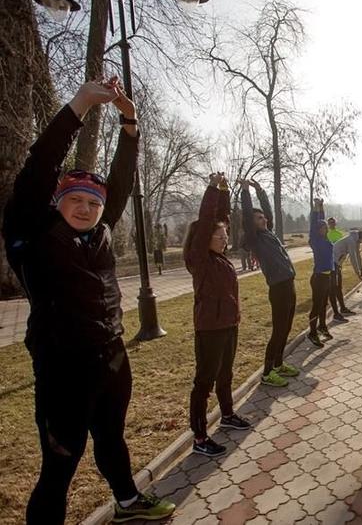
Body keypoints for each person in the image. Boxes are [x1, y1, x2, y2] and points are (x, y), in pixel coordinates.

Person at [2, 78, 174, 523]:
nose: (85, 208)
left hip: (112, 356)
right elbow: (40, 166)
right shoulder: (33, 232)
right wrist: (80, 104)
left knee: (112, 436)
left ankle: (128, 502)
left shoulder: (102, 230)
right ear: (56, 202)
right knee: (60, 463)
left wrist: (130, 121)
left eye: (93, 202)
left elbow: (121, 180)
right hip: (63, 368)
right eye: (74, 199)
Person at [184, 173, 252, 458]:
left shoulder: (220, 258)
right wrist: (212, 189)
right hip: (210, 328)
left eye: (226, 237)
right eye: (220, 237)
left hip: (228, 325)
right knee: (205, 382)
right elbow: (207, 220)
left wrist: (225, 191)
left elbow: (221, 217)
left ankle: (227, 415)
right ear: (205, 238)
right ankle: (200, 437)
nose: (225, 240)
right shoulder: (200, 258)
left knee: (226, 374)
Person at [240, 179, 301, 387]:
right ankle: (267, 373)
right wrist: (246, 192)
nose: (264, 219)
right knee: (278, 330)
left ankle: (278, 364)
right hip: (278, 288)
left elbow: (269, 213)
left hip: (289, 285)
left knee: (286, 328)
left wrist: (260, 190)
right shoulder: (255, 238)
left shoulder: (268, 233)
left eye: (263, 217)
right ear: (251, 223)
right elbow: (247, 215)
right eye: (259, 218)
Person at [308, 198, 334, 347]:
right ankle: (312, 333)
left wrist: (322, 207)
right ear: (317, 230)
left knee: (324, 304)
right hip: (318, 278)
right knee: (317, 306)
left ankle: (322, 326)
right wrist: (316, 208)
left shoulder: (326, 239)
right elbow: (314, 224)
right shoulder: (315, 241)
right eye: (321, 228)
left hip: (327, 277)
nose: (324, 229)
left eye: (325, 227)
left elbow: (321, 220)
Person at [330, 228, 362, 321]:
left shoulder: (356, 240)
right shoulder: (351, 241)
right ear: (361, 237)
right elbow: (353, 258)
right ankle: (336, 314)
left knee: (338, 288)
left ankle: (342, 309)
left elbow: (358, 255)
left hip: (337, 264)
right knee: (334, 289)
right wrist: (357, 273)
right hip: (332, 264)